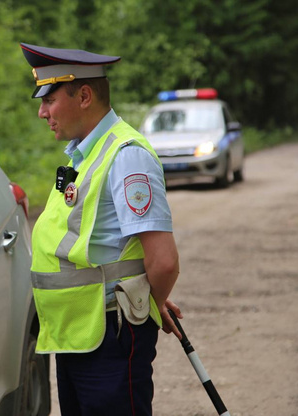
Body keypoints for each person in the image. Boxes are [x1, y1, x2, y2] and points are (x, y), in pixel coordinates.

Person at [20, 42, 182, 416]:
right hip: (80, 334)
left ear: (85, 95)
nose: (42, 112)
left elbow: (164, 262)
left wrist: (147, 305)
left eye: (48, 100)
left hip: (112, 336)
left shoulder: (127, 156)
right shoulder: (83, 153)